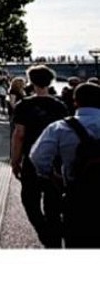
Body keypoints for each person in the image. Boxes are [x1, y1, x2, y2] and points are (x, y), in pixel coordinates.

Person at [30, 82, 100, 248]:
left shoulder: (59, 128)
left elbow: (38, 157)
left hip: (78, 196)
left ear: (75, 101)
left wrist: (53, 176)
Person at [10, 64, 68, 248]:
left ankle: (44, 231)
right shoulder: (59, 106)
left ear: (31, 82)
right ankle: (54, 232)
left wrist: (15, 160)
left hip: (31, 159)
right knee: (53, 201)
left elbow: (19, 134)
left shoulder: (24, 105)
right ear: (50, 82)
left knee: (29, 200)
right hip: (55, 161)